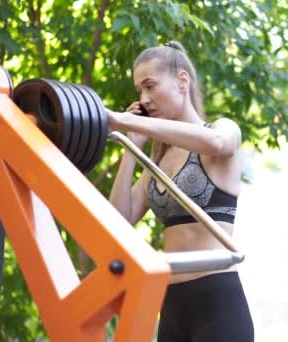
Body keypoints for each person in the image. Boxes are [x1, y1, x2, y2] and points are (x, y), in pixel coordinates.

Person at [107, 41, 254, 342]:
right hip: (171, 306)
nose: (144, 99)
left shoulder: (223, 129)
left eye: (150, 86)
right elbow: (119, 222)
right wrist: (131, 147)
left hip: (218, 303)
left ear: (182, 80)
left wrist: (125, 119)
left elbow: (217, 143)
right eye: (139, 91)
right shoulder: (157, 162)